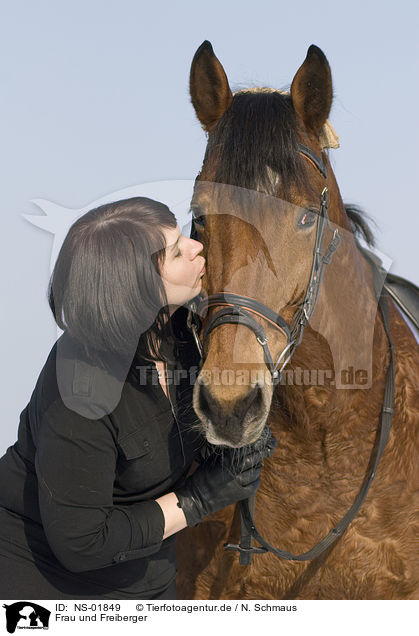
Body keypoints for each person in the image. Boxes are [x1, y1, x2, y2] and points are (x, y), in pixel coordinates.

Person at [0, 197, 276, 600]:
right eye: (179, 251)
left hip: (151, 575)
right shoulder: (79, 388)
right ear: (141, 289)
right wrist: (199, 498)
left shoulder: (182, 326)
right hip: (45, 581)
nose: (198, 247)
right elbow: (83, 542)